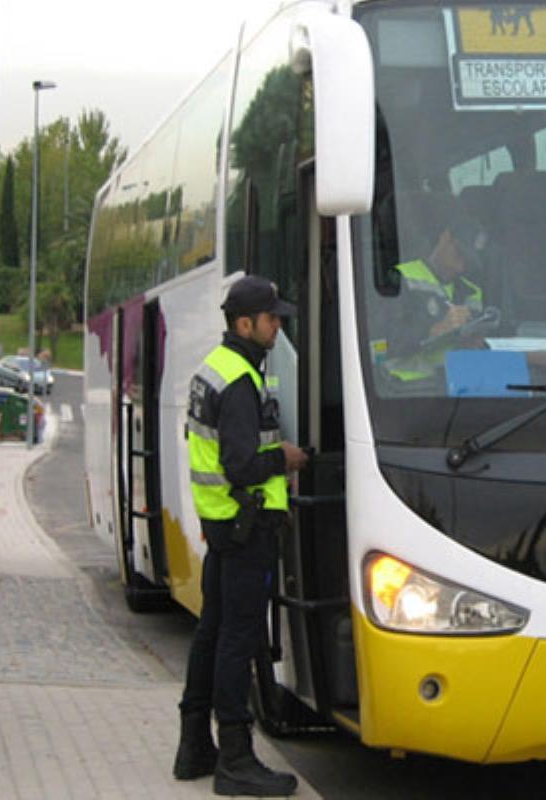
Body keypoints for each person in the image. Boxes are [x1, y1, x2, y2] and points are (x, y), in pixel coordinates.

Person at [174, 275, 308, 797]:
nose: (278, 327)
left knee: (212, 631)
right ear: (245, 323)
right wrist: (287, 458)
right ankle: (235, 758)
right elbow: (242, 463)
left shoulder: (221, 368)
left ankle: (194, 745)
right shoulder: (239, 380)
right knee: (237, 637)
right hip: (244, 524)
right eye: (272, 319)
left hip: (225, 525)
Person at [386, 202, 488, 381]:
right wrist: (435, 330)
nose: (460, 267)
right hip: (406, 389)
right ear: (445, 237)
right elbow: (385, 343)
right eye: (458, 254)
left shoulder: (472, 292)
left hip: (458, 387)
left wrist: (476, 344)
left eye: (468, 262)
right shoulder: (399, 278)